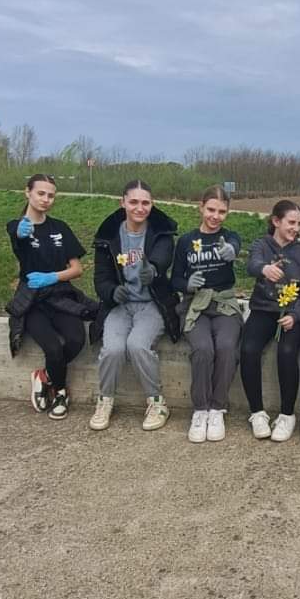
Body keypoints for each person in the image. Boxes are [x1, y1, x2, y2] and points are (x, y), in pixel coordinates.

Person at [89, 181, 179, 432]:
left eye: (145, 203)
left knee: (138, 345)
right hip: (120, 305)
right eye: (134, 202)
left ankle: (157, 402)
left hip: (152, 303)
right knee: (113, 349)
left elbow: (163, 256)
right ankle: (105, 400)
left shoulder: (161, 232)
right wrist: (111, 291)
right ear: (123, 203)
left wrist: (155, 269)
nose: (140, 208)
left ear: (152, 204)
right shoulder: (107, 236)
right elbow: (100, 277)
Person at [6, 173, 94, 419]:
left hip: (61, 296)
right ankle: (61, 392)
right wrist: (20, 232)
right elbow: (16, 233)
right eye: (40, 193)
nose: (46, 199)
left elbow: (77, 269)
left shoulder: (60, 228)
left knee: (76, 340)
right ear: (28, 193)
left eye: (51, 195)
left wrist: (53, 276)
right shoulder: (18, 227)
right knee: (53, 348)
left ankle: (45, 375)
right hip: (33, 301)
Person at [171, 187, 243, 442]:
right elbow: (175, 279)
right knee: (203, 349)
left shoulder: (229, 236)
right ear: (201, 207)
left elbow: (235, 244)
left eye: (222, 211)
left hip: (224, 304)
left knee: (226, 347)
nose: (215, 216)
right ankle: (200, 409)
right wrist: (187, 284)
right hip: (196, 305)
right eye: (211, 209)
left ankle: (217, 408)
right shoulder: (186, 241)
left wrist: (232, 251)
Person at [241, 199, 300, 441]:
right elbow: (252, 264)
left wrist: (295, 315)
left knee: (287, 351)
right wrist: (264, 269)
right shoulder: (261, 245)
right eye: (291, 222)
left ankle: (286, 415)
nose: (296, 228)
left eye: (299, 224)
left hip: (290, 315)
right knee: (248, 350)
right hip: (263, 310)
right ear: (276, 221)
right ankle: (257, 413)